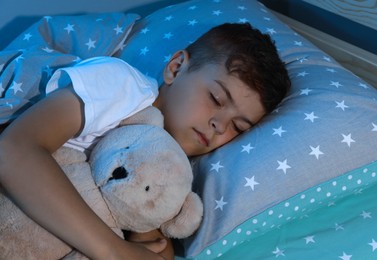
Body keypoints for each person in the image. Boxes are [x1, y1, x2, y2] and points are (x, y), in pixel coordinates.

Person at [0, 23, 290, 259]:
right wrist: (112, 250)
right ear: (176, 68)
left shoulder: (173, 168)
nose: (219, 125)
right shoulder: (123, 86)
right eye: (215, 98)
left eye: (238, 127)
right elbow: (14, 149)